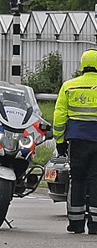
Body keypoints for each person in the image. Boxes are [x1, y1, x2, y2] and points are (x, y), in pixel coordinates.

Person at [53, 49, 97, 233]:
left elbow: (59, 116)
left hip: (77, 140)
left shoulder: (69, 86)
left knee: (77, 179)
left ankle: (76, 223)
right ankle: (95, 224)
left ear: (82, 65)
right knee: (95, 179)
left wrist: (59, 141)